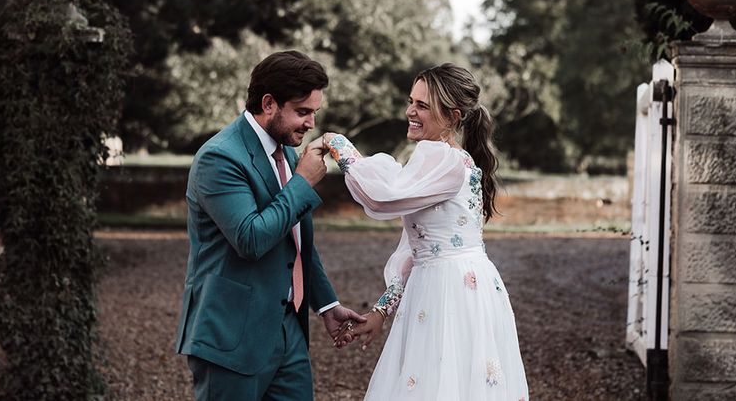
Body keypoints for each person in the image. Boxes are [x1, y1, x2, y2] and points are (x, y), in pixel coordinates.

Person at [317, 63, 528, 400]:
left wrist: (336, 143)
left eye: (422, 106)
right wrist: (382, 310)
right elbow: (415, 247)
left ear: (453, 116)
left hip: (451, 290)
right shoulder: (445, 159)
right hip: (454, 284)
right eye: (410, 101)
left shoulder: (442, 159)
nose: (409, 112)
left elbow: (381, 196)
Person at [175, 50, 365, 401]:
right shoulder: (219, 158)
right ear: (268, 103)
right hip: (231, 335)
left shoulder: (286, 153)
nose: (310, 124)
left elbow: (296, 241)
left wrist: (326, 304)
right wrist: (301, 185)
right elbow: (251, 238)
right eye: (302, 112)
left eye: (314, 113)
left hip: (288, 331)